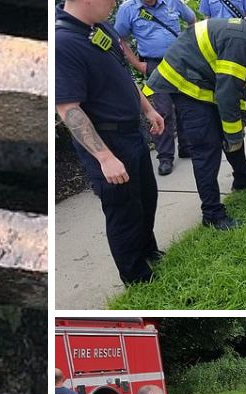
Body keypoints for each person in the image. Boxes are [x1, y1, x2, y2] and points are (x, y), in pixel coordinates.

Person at [144, 11, 246, 230]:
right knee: (207, 148)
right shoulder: (243, 42)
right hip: (186, 84)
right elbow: (227, 96)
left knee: (231, 130)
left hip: (203, 81)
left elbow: (236, 87)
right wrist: (233, 133)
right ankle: (213, 215)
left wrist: (237, 124)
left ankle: (244, 179)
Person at [56, 0, 166, 286]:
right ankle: (136, 277)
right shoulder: (63, 42)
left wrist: (148, 109)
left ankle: (148, 251)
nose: (115, 2)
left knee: (145, 198)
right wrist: (104, 157)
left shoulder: (98, 28)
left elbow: (123, 75)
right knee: (124, 211)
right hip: (108, 140)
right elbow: (69, 109)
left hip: (132, 132)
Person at [114, 0, 196, 176]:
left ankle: (186, 147)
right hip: (154, 65)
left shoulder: (173, 2)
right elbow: (120, 39)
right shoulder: (128, 9)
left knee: (184, 105)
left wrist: (189, 47)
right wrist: (137, 64)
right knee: (163, 110)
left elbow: (192, 19)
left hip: (180, 62)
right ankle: (165, 157)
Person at [197, 0, 246, 117]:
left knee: (245, 71)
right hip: (218, 38)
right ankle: (225, 104)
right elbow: (206, 19)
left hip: (239, 37)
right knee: (222, 73)